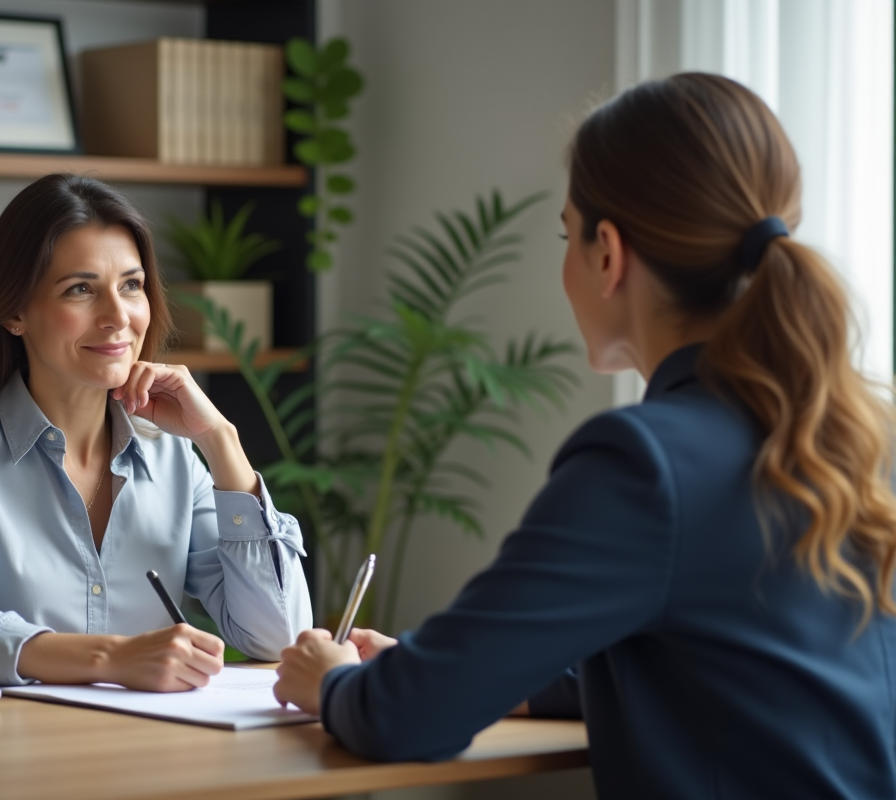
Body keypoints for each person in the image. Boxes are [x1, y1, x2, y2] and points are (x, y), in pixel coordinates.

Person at [272, 73, 896, 798]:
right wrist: (488, 677)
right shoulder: (851, 433)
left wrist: (334, 680)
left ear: (608, 252)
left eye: (567, 236)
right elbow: (734, 658)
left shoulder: (645, 465)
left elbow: (404, 719)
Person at [0, 174, 312, 691]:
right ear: (15, 311)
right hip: (4, 755)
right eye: (81, 289)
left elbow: (278, 637)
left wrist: (221, 441)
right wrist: (109, 657)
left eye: (131, 285)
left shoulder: (171, 452)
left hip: (150, 752)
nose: (118, 316)